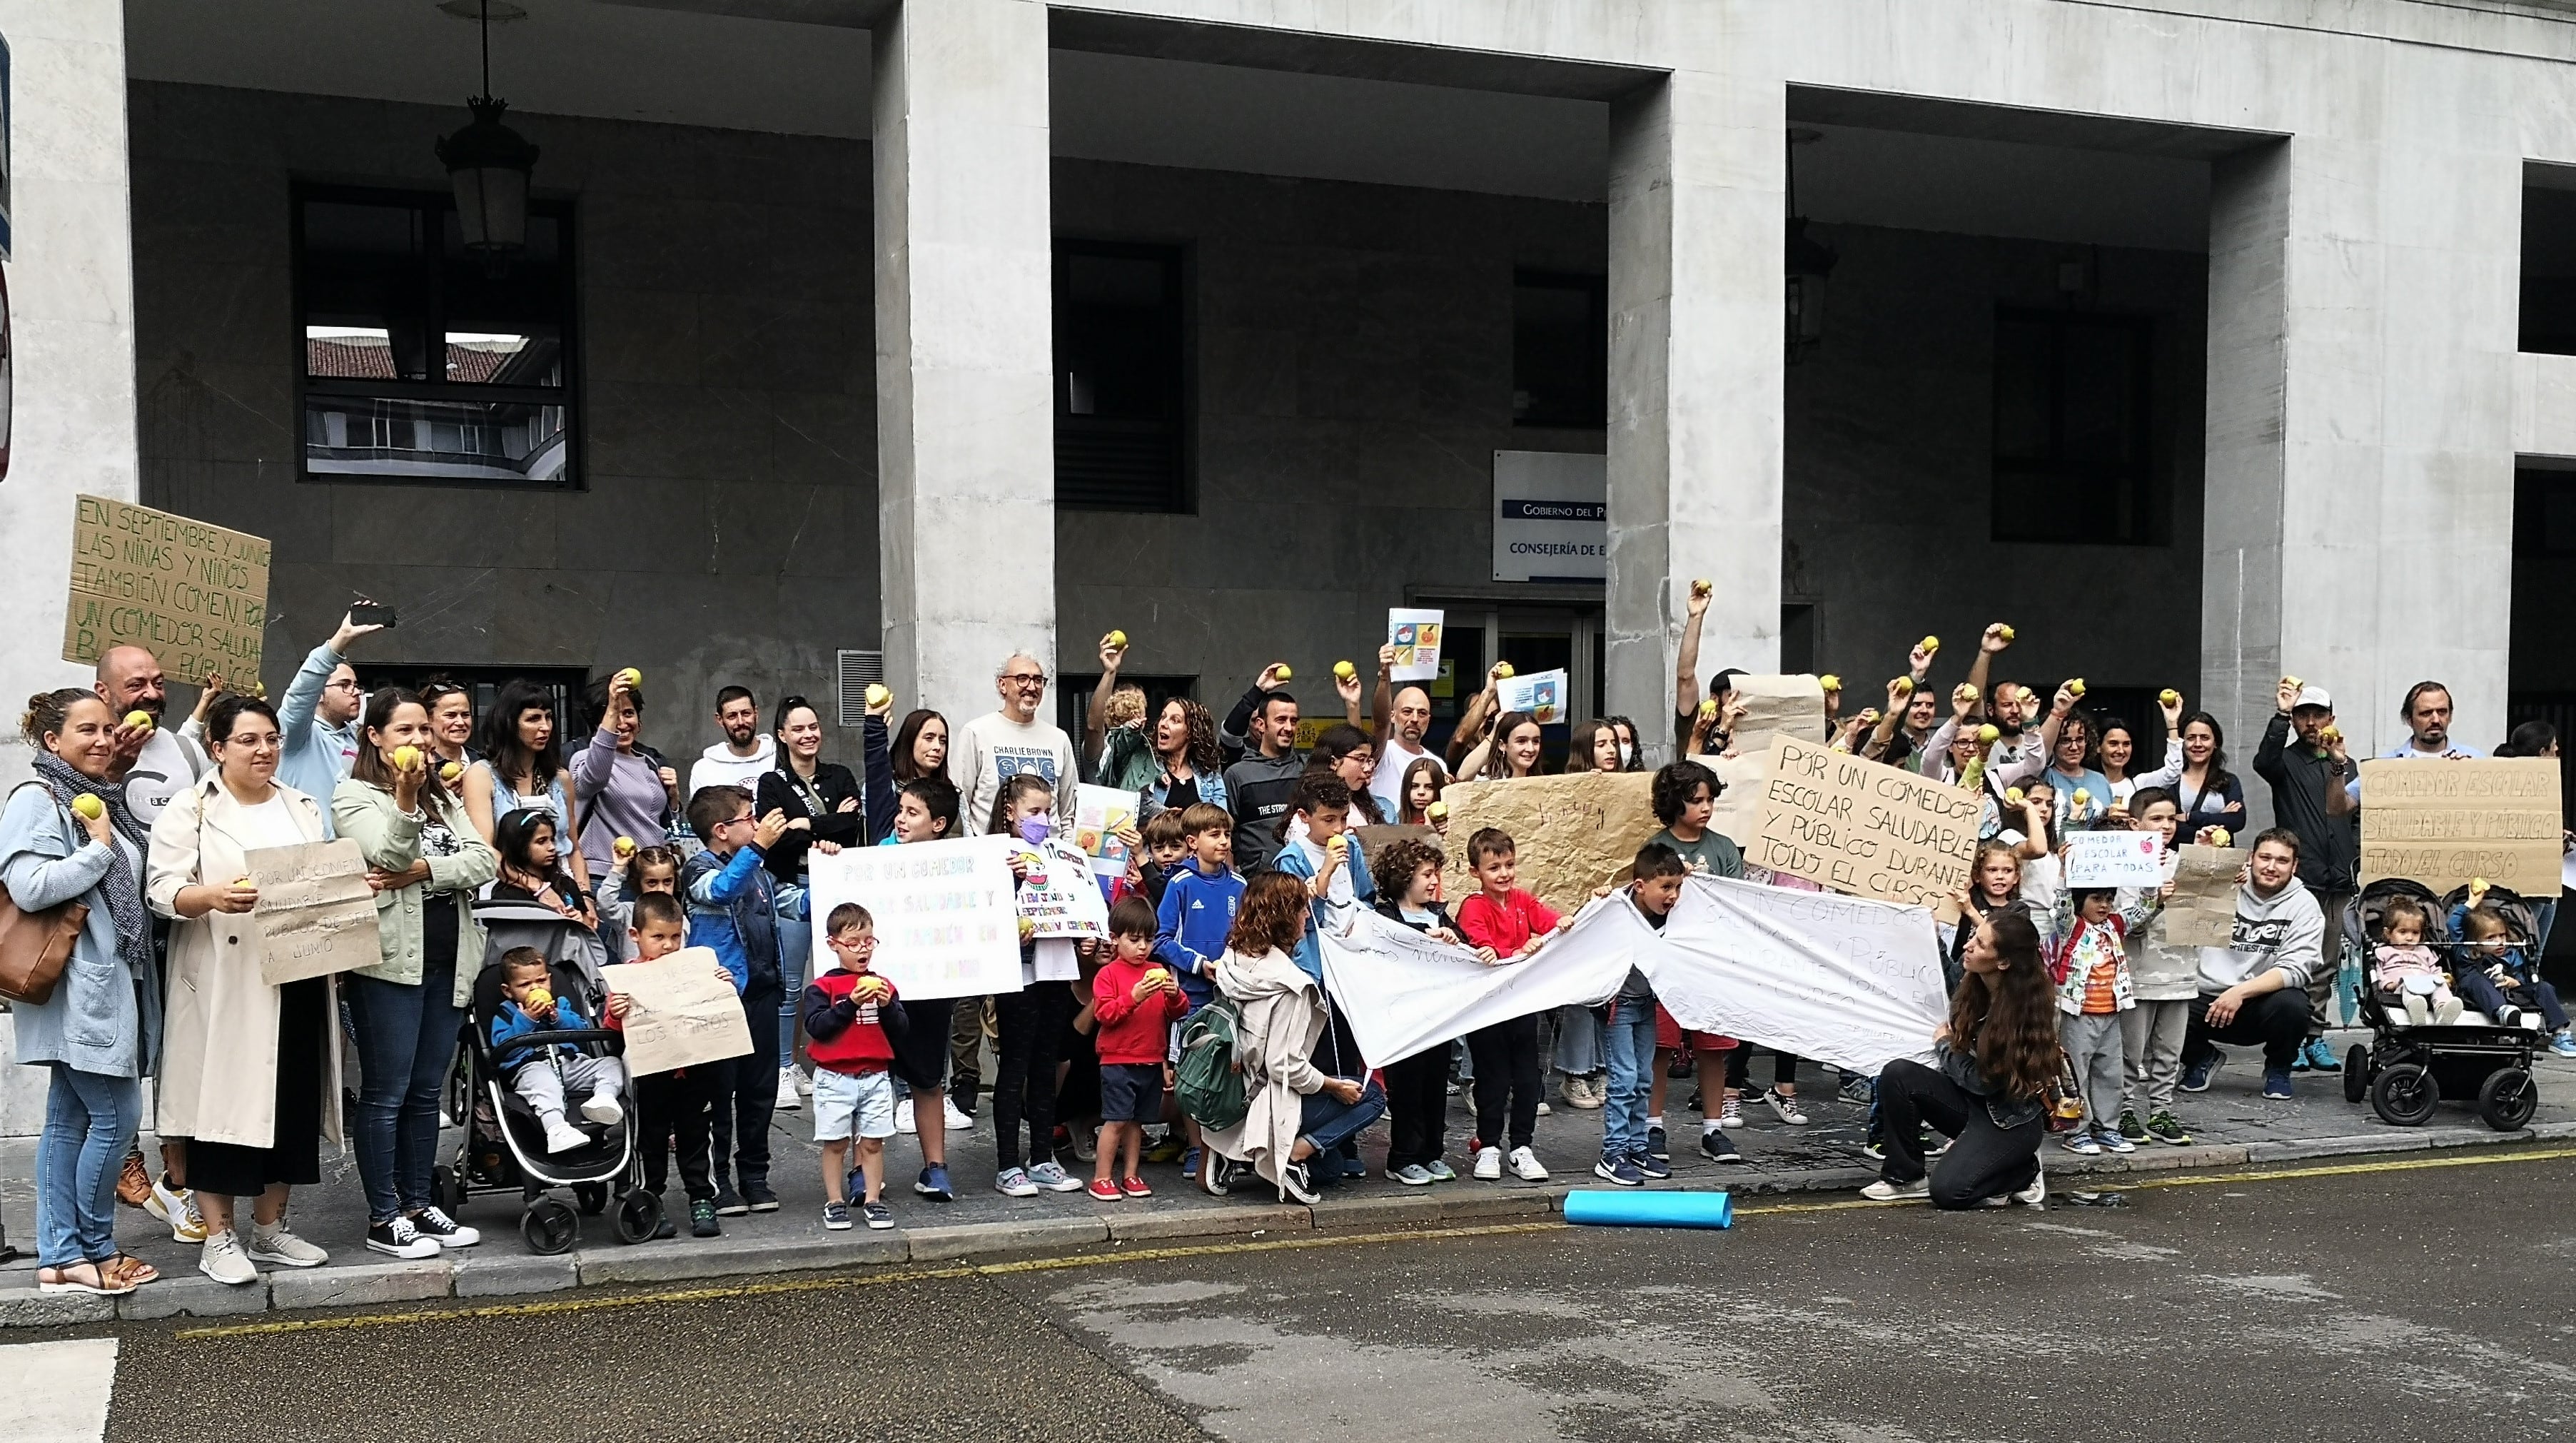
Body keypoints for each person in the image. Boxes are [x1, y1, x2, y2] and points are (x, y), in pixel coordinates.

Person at [148, 693, 341, 1284]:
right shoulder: (192, 808)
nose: (265, 750)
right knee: (221, 1109)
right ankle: (219, 1237)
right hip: (225, 981)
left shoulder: (301, 805)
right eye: (250, 740)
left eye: (272, 738)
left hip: (296, 968)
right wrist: (210, 897)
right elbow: (161, 889)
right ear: (218, 747)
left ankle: (270, 1229)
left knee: (287, 1102)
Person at [6, 689, 165, 1295]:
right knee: (117, 1116)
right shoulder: (39, 799)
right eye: (86, 730)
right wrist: (99, 847)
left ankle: (60, 1256)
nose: (103, 739)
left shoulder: (96, 797)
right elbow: (29, 886)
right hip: (78, 986)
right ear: (52, 741)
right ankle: (95, 1247)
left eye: (107, 728)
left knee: (68, 1119)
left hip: (103, 982)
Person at [337, 687, 500, 1258]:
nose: (418, 742)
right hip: (388, 965)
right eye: (403, 731)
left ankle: (416, 1202)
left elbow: (484, 860)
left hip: (448, 961)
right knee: (387, 1092)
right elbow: (385, 858)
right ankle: (384, 1216)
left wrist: (427, 869)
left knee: (427, 1090)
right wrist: (404, 802)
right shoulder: (353, 796)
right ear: (375, 737)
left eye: (422, 731)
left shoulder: (445, 799)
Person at [1203, 872, 1387, 1205]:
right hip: (1270, 1098)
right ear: (1285, 918)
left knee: (1331, 1169)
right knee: (1372, 1095)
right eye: (1302, 909)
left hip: (1233, 1089)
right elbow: (1283, 1066)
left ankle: (1232, 1149)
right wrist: (1334, 1086)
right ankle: (1287, 1156)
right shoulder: (1292, 985)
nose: (1307, 915)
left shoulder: (1233, 957)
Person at [1862, 910, 2054, 1208]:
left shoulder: (2022, 1012)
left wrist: (1945, 1046)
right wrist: (1930, 934)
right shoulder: (1974, 979)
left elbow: (1983, 1083)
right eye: (1973, 938)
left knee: (1950, 1192)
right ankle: (1905, 1176)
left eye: (1980, 944)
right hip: (1973, 1106)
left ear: (2003, 962)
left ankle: (2022, 1172)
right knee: (1898, 1074)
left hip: (2008, 1123)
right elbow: (1943, 975)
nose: (1968, 946)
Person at [755, 692, 877, 1115]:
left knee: (838, 979)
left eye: (813, 727)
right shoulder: (771, 783)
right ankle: (786, 1068)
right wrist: (823, 828)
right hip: (793, 886)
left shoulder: (840, 774)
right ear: (782, 735)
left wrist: (807, 823)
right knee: (791, 984)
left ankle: (832, 1059)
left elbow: (853, 825)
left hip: (838, 887)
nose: (808, 735)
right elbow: (777, 836)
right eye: (799, 729)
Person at [682, 784, 788, 1215]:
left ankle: (754, 1177)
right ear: (722, 830)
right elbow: (721, 890)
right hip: (722, 999)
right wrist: (759, 848)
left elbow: (794, 902)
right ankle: (718, 1182)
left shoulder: (760, 872)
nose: (758, 824)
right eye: (750, 817)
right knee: (718, 1095)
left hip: (762, 995)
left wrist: (835, 875)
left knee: (759, 1092)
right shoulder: (698, 870)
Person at [2251, 678, 2358, 1074]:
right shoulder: (2285, 761)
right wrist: (2281, 713)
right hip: (2301, 880)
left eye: (2318, 715)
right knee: (2292, 959)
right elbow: (2263, 762)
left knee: (2325, 965)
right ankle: (2290, 1039)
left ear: (2331, 718)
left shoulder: (2345, 764)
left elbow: (2356, 816)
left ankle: (2314, 1037)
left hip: (2338, 881)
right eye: (2303, 716)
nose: (2311, 723)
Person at [1455, 827, 1572, 1183]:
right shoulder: (1473, 907)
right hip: (1488, 1010)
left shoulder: (1523, 900)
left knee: (1527, 1080)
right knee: (1492, 1080)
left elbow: (1549, 919)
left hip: (1522, 1005)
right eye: (1494, 868)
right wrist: (1518, 952)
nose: (1504, 874)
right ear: (1476, 872)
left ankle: (1522, 1148)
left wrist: (1564, 922)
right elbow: (1483, 951)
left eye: (1509, 865)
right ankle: (1489, 1146)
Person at [987, 775, 1084, 1197]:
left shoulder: (1061, 855)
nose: (1043, 820)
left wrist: (1087, 930)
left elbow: (1076, 902)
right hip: (1020, 977)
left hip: (1056, 970)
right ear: (1011, 812)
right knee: (1015, 1066)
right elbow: (987, 911)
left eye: (1048, 811)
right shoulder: (997, 855)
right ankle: (1008, 1165)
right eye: (1034, 812)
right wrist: (1014, 885)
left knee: (1047, 1065)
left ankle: (1043, 1157)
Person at [2179, 828, 2323, 1100]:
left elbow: (2296, 969)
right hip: (2205, 996)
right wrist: (2202, 855)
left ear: (2295, 866)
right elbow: (2181, 911)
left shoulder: (2304, 905)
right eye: (2265, 858)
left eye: (2282, 861)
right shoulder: (2226, 884)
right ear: (2251, 858)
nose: (2271, 867)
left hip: (2261, 1003)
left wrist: (2239, 992)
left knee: (2295, 1005)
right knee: (2161, 1001)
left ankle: (2279, 1067)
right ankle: (2201, 1058)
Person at [1370, 837, 1483, 1185]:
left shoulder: (1439, 914)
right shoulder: (1386, 915)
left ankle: (1431, 1153)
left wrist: (1455, 940)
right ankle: (1403, 1157)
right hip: (1404, 1021)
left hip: (1437, 1020)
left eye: (1436, 874)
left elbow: (1467, 950)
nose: (1435, 881)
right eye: (1428, 874)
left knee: (1434, 1088)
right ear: (1405, 877)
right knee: (1407, 1091)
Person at [879, 774, 966, 1200]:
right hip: (880, 991)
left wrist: (1016, 879)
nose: (900, 819)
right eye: (900, 810)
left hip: (933, 989)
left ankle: (936, 1167)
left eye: (912, 813)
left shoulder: (961, 863)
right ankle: (866, 1170)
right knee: (870, 1077)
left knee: (929, 1080)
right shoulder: (880, 855)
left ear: (938, 824)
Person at [1153, 800, 1243, 1187]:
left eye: (1226, 834)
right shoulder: (1180, 884)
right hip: (1190, 998)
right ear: (1193, 842)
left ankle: (1225, 1148)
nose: (1223, 842)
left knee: (1230, 1070)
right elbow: (1161, 939)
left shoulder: (1239, 886)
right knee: (1191, 1074)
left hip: (1232, 996)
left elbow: (1247, 936)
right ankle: (1195, 1146)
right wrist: (1198, 965)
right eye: (1214, 835)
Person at [803, 902, 906, 1231]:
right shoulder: (823, 987)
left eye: (869, 941)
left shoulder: (884, 984)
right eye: (854, 943)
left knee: (873, 1142)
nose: (864, 949)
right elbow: (818, 1026)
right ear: (833, 944)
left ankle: (873, 1200)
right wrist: (851, 1004)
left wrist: (888, 1008)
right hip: (835, 1077)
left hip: (874, 1075)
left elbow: (902, 1030)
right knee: (835, 1143)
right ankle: (834, 1201)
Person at [1597, 845, 1689, 1187]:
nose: (1674, 896)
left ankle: (1637, 1147)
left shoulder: (1675, 913)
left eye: (1678, 887)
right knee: (1624, 1080)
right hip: (1619, 1006)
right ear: (1639, 886)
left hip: (1646, 1003)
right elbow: (1587, 925)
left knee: (1644, 1079)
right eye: (1665, 887)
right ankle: (1613, 1152)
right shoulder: (1615, 908)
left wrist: (1691, 879)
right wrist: (1600, 898)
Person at [1088, 896, 1187, 1200]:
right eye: (1134, 940)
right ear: (1115, 939)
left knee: (1137, 1123)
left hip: (1150, 1058)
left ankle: (1131, 1175)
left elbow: (1178, 1012)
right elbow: (1104, 1014)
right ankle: (1102, 1177)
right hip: (1118, 1060)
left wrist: (1173, 995)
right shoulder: (1108, 975)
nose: (1143, 947)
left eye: (1148, 939)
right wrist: (1134, 996)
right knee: (1116, 1120)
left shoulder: (1157, 969)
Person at [2115, 788, 2196, 1147]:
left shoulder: (2182, 861)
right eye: (2156, 819)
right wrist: (2154, 900)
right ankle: (2124, 1111)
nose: (2166, 826)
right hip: (2138, 974)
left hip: (2181, 972)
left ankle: (2162, 1111)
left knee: (2169, 1052)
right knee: (2130, 1052)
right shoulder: (2122, 865)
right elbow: (2123, 924)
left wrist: (2225, 875)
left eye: (2171, 818)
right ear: (2135, 824)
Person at [489, 947, 626, 1155]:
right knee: (545, 1083)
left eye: (541, 981)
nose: (535, 988)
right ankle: (556, 1129)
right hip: (532, 1068)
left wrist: (557, 1017)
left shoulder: (561, 1004)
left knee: (612, 1064)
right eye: (525, 985)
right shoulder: (506, 1014)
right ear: (508, 990)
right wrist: (527, 1019)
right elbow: (502, 1049)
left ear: (549, 979)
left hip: (570, 1064)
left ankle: (603, 1098)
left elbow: (582, 1031)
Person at [463, 679, 590, 898]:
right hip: (505, 893)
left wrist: (586, 897)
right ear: (510, 724)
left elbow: (573, 849)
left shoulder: (561, 778)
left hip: (563, 890)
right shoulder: (481, 775)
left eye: (548, 717)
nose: (545, 727)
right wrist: (536, 887)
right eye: (533, 718)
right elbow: (484, 851)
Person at [2049, 886, 2145, 1157]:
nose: (2104, 905)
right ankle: (2075, 1131)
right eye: (2097, 899)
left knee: (2109, 1073)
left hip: (2110, 1013)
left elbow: (2145, 908)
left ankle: (2106, 1128)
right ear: (2081, 901)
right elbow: (2062, 906)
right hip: (2079, 1014)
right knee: (2074, 1076)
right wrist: (2065, 875)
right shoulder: (2072, 926)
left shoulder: (2114, 925)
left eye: (2109, 899)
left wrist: (2151, 882)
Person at [950, 653, 1079, 836]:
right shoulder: (976, 732)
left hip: (1048, 857)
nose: (1032, 687)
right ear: (1002, 685)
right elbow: (960, 805)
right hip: (994, 856)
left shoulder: (1059, 739)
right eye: (1022, 679)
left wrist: (1064, 852)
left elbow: (1068, 812)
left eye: (1038, 680)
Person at [574, 673, 680, 884]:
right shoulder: (584, 759)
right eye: (614, 715)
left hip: (651, 878)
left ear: (639, 721)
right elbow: (594, 779)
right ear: (598, 724)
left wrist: (674, 800)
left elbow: (665, 825)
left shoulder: (650, 762)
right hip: (604, 877)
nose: (622, 723)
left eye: (629, 713)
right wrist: (611, 705)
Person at [2448, 886, 2576, 1055]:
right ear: (2475, 940)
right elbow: (2452, 923)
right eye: (2491, 938)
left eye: (2502, 936)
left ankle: (2559, 1034)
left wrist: (2516, 983)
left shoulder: (2512, 954)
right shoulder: (2466, 952)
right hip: (2480, 994)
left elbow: (2523, 981)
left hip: (2512, 994)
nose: (2500, 941)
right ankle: (2503, 1012)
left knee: (2544, 987)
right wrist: (2472, 903)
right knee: (2475, 980)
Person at [94, 645, 208, 829]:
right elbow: (76, 825)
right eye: (136, 686)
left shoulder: (189, 751)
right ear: (103, 691)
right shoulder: (87, 751)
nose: (153, 694)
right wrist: (114, 771)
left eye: (158, 684)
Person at [1221, 678, 1304, 873]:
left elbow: (1354, 753)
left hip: (1304, 881)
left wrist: (1352, 705)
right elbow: (1225, 830)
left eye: (1294, 721)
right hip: (1257, 884)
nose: (1289, 728)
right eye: (1281, 720)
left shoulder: (1306, 769)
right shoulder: (1238, 774)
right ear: (1261, 724)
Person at [2131, 703, 2244, 843]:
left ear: (2216, 743)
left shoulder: (2229, 781)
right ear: (2182, 743)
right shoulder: (2170, 781)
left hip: (2218, 860)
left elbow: (2237, 821)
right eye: (2191, 738)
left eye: (2205, 738)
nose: (2198, 744)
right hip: (2175, 859)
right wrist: (2220, 819)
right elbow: (2168, 830)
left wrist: (2189, 817)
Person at [1368, 649, 1445, 818]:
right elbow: (1380, 724)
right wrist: (1385, 677)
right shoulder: (1381, 753)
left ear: (1429, 720)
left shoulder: (1438, 765)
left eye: (1422, 713)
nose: (1415, 719)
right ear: (1393, 716)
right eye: (1407, 711)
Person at [1086, 633, 1161, 792]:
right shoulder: (1106, 746)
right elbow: (1094, 726)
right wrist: (1110, 672)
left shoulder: (1151, 752)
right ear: (1112, 712)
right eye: (1126, 706)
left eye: (1138, 707)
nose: (1133, 712)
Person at [2370, 898, 2461, 1028]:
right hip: (2402, 984)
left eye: (2415, 933)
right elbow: (2378, 971)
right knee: (2409, 988)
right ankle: (2416, 1011)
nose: (2410, 937)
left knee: (2440, 986)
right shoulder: (2384, 951)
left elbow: (2434, 968)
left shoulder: (2425, 950)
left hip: (2428, 981)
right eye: (2403, 932)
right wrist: (2387, 984)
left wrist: (2441, 978)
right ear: (2388, 933)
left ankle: (2443, 1011)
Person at [1138, 696, 1228, 820]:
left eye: (1175, 720)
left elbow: (1221, 822)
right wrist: (1170, 816)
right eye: (1163, 717)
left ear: (1191, 732)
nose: (1163, 724)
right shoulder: (1146, 767)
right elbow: (1136, 811)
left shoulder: (1209, 777)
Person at [690, 685, 777, 795]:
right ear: (720, 720)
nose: (740, 722)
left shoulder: (781, 759)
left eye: (746, 713)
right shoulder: (704, 769)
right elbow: (699, 812)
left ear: (756, 713)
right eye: (732, 716)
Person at [889, 708, 951, 790]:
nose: (938, 747)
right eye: (929, 738)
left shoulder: (953, 793)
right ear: (910, 740)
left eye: (943, 741)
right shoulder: (886, 787)